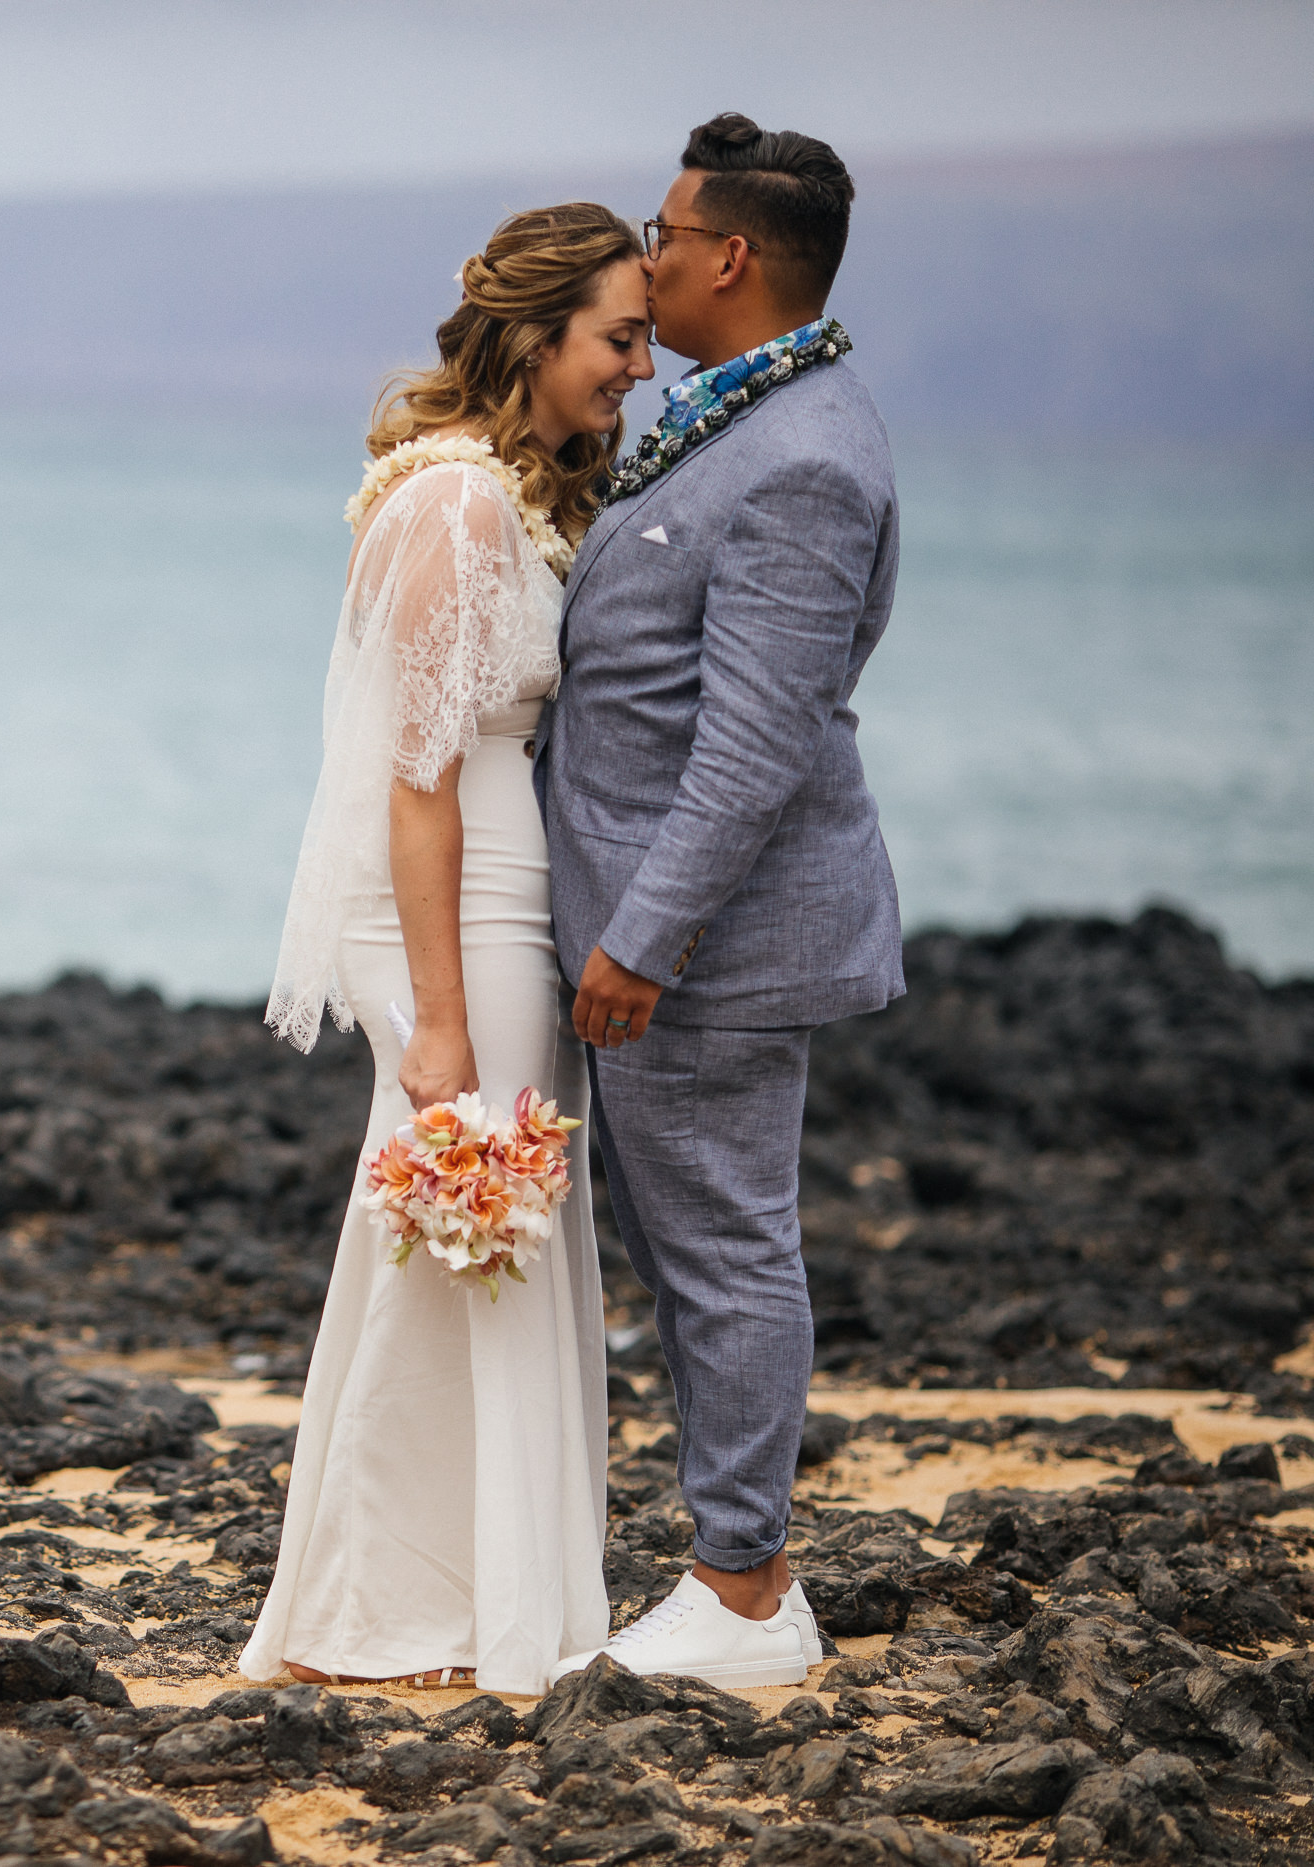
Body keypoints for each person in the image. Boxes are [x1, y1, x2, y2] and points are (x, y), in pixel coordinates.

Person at [244, 203, 655, 1696]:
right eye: (619, 338)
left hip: (493, 901)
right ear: (538, 335)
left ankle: (468, 1594)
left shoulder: (496, 496)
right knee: (469, 1239)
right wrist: (438, 1024)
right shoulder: (459, 508)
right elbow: (417, 785)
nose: (636, 368)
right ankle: (403, 1607)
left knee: (480, 1243)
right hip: (453, 912)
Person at [537, 114, 902, 1689]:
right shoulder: (740, 416)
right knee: (696, 1252)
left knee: (731, 1256)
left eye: (667, 233)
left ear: (732, 256)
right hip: (665, 938)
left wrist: (640, 938)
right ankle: (733, 1564)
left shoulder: (808, 456)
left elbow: (756, 747)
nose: (653, 251)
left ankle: (746, 1589)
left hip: (706, 952)